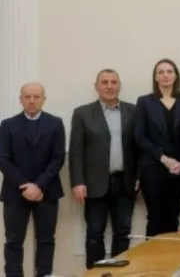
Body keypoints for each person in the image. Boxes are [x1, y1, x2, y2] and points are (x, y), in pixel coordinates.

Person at [69, 69, 138, 268]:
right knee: (94, 232)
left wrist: (139, 176)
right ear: (96, 86)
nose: (109, 86)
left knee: (123, 231)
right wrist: (78, 182)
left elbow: (139, 147)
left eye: (114, 82)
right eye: (104, 82)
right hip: (94, 183)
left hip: (125, 181)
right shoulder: (82, 113)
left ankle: (119, 273)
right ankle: (95, 272)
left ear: (119, 85)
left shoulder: (133, 111)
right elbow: (76, 151)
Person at [0, 83, 66, 277]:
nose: (32, 100)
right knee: (13, 241)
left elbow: (58, 158)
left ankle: (44, 274)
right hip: (14, 192)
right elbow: (3, 159)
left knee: (46, 240)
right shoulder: (7, 125)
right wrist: (25, 185)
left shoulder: (55, 123)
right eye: (27, 97)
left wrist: (38, 186)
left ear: (43, 99)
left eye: (36, 97)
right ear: (20, 99)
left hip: (47, 191)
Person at [134, 58, 180, 236]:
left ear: (176, 76)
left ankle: (171, 254)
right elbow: (140, 137)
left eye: (169, 71)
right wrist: (164, 159)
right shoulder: (144, 102)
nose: (165, 75)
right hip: (153, 168)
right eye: (161, 72)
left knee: (173, 218)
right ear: (155, 77)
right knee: (155, 218)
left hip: (179, 170)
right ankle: (152, 255)